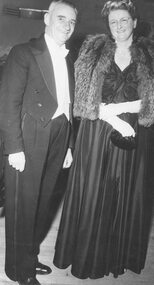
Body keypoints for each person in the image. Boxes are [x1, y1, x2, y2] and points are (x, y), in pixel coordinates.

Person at [53, 0, 154, 279]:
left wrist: (122, 111)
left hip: (134, 132)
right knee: (94, 191)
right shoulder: (93, 48)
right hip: (96, 130)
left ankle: (116, 259)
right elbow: (83, 98)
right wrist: (111, 116)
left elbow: (153, 99)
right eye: (113, 22)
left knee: (126, 193)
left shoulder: (149, 53)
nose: (119, 26)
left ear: (134, 23)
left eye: (124, 21)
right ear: (107, 26)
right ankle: (88, 259)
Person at [0, 1, 77, 284]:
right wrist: (14, 148)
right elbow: (7, 103)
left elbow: (68, 104)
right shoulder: (24, 52)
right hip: (29, 137)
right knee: (23, 207)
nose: (67, 26)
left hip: (58, 136)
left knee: (43, 204)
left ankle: (29, 259)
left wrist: (69, 144)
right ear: (46, 18)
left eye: (72, 22)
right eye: (61, 18)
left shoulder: (68, 57)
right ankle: (20, 272)